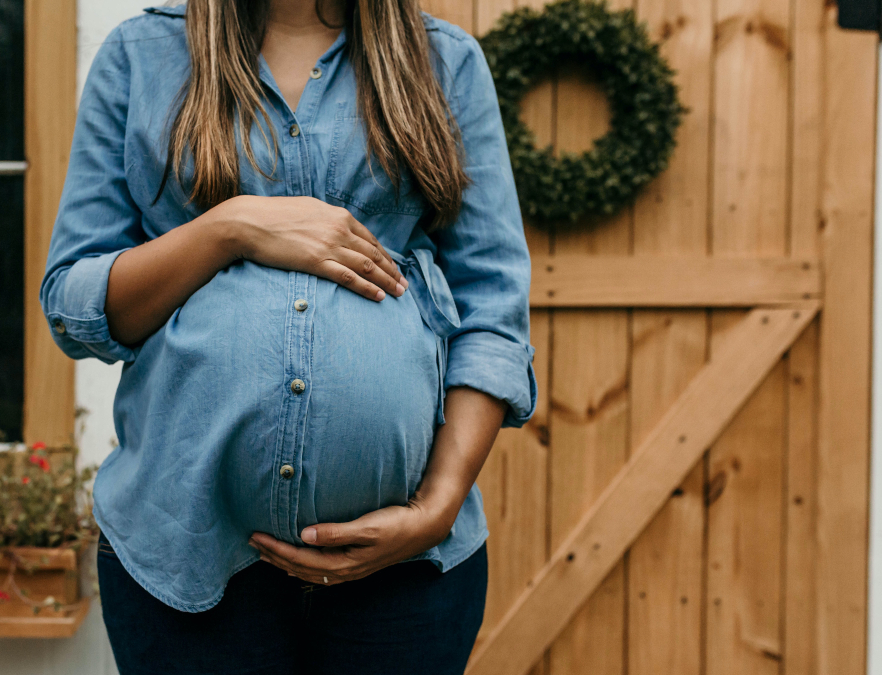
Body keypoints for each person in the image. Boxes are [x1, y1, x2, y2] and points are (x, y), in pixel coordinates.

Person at [40, 1, 535, 672]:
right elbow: (75, 305)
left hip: (405, 573)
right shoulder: (141, 57)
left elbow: (493, 305)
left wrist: (439, 506)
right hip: (184, 560)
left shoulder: (444, 62)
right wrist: (231, 226)